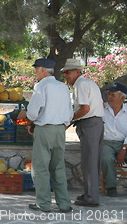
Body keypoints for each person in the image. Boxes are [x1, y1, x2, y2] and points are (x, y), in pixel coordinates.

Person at [17, 58, 73, 213]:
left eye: (36, 69)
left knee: (40, 168)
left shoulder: (41, 86)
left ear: (42, 69)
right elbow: (69, 112)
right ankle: (64, 203)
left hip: (44, 129)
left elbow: (33, 112)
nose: (35, 72)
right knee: (58, 167)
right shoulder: (63, 87)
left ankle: (43, 203)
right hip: (60, 130)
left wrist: (30, 122)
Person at [61, 58, 104, 207]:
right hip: (94, 123)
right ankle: (89, 194)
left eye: (68, 72)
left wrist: (69, 119)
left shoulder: (81, 84)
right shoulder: (87, 83)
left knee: (89, 162)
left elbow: (85, 109)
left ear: (77, 72)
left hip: (89, 124)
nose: (65, 75)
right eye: (64, 72)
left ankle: (91, 198)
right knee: (92, 162)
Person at [101, 82, 127, 197]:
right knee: (106, 157)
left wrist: (124, 148)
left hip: (124, 142)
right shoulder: (103, 109)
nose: (109, 97)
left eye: (113, 95)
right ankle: (111, 187)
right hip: (107, 142)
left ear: (122, 97)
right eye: (109, 94)